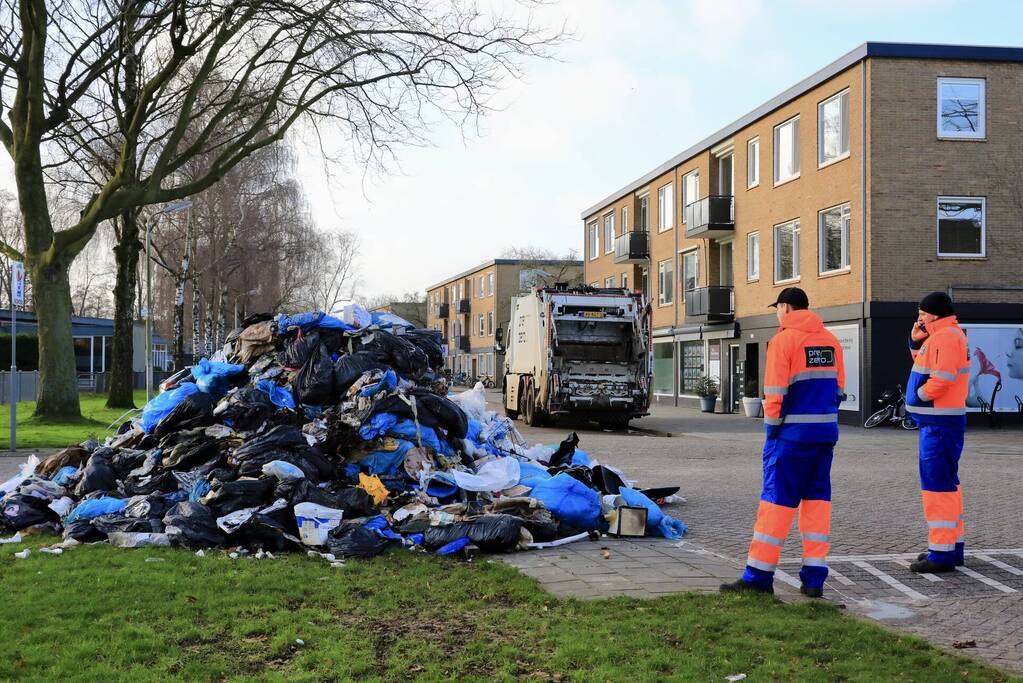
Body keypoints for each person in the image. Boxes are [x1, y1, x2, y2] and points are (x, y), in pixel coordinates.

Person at [720, 287, 845, 597]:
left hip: (791, 438)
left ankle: (759, 576)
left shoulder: (783, 340)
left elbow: (775, 395)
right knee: (817, 504)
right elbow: (838, 388)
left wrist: (772, 431)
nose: (777, 313)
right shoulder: (829, 340)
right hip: (824, 436)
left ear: (786, 308)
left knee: (775, 504)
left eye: (777, 308)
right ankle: (814, 579)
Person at [905, 291, 970, 573]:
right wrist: (915, 339)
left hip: (939, 423)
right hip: (939, 422)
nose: (919, 318)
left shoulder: (946, 337)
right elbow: (922, 362)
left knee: (937, 487)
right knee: (947, 484)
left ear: (933, 314)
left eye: (922, 313)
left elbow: (942, 378)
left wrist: (919, 395)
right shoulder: (943, 336)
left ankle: (941, 554)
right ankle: (950, 547)